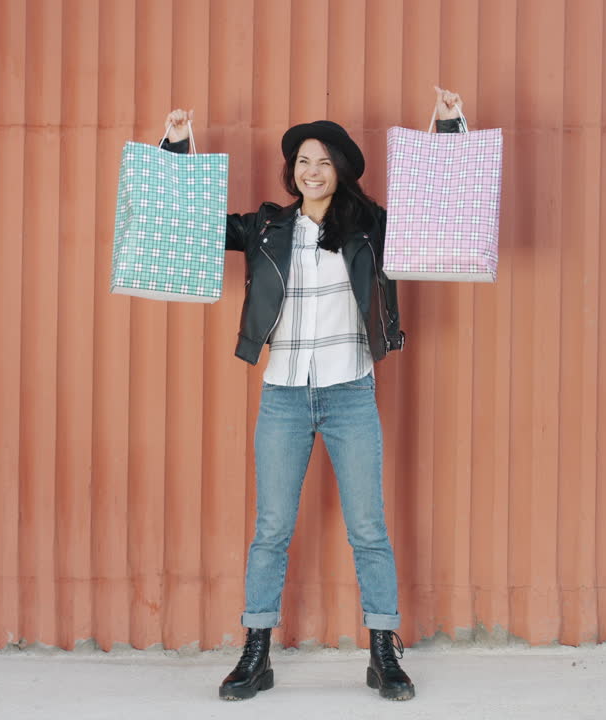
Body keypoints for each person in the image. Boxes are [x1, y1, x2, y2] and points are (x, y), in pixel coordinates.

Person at [160, 87, 466, 702]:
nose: (312, 171)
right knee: (271, 528)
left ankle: (383, 654)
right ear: (292, 170)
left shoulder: (371, 227)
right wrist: (175, 146)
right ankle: (255, 654)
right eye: (303, 161)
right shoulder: (267, 227)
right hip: (284, 396)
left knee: (368, 527)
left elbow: (437, 204)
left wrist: (449, 129)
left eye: (324, 161)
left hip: (350, 392)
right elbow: (189, 221)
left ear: (342, 170)